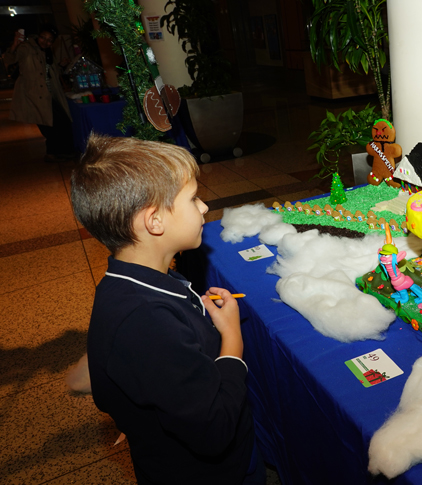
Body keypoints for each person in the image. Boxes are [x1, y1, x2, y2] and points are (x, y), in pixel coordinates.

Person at [71, 134, 263, 484]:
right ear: (154, 221)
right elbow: (215, 428)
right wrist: (232, 340)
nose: (204, 207)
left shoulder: (134, 283)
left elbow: (114, 386)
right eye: (193, 199)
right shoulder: (146, 322)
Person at [3, 25, 75, 161]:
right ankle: (59, 152)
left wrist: (60, 65)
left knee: (57, 122)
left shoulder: (48, 52)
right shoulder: (26, 48)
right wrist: (14, 45)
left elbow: (49, 72)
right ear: (38, 36)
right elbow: (9, 60)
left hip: (49, 93)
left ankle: (54, 152)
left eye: (49, 40)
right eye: (43, 37)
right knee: (51, 123)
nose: (45, 42)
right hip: (34, 94)